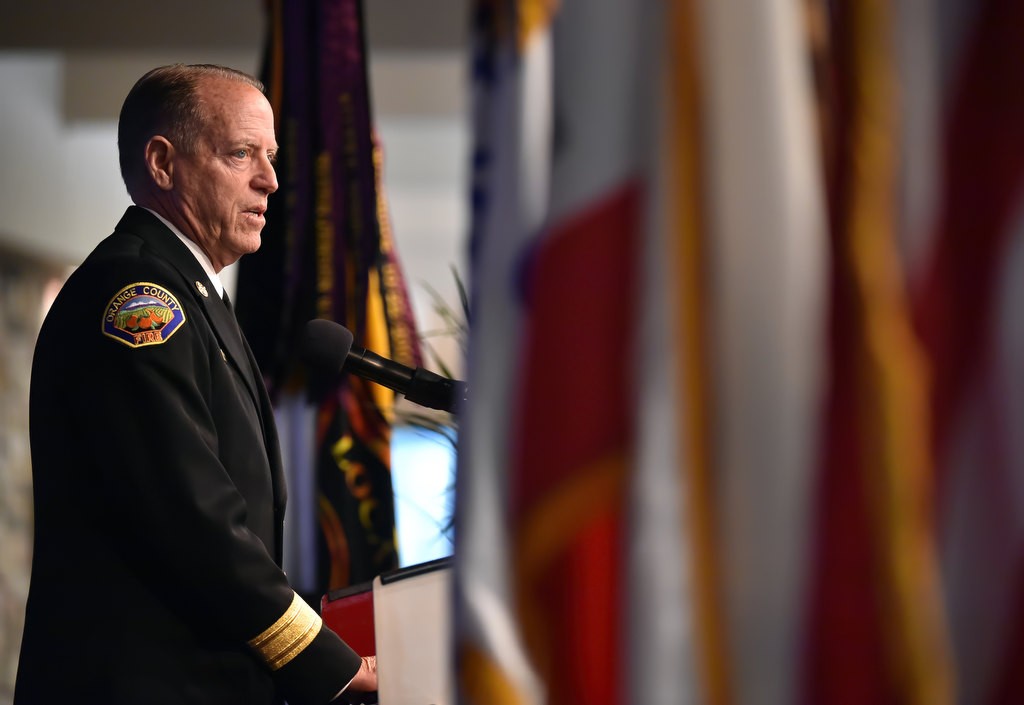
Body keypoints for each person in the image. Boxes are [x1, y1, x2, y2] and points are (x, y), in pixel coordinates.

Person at [14, 64, 376, 705]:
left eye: (270, 156)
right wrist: (332, 667)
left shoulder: (191, 291)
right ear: (162, 163)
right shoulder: (138, 299)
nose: (270, 179)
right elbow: (195, 523)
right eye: (242, 154)